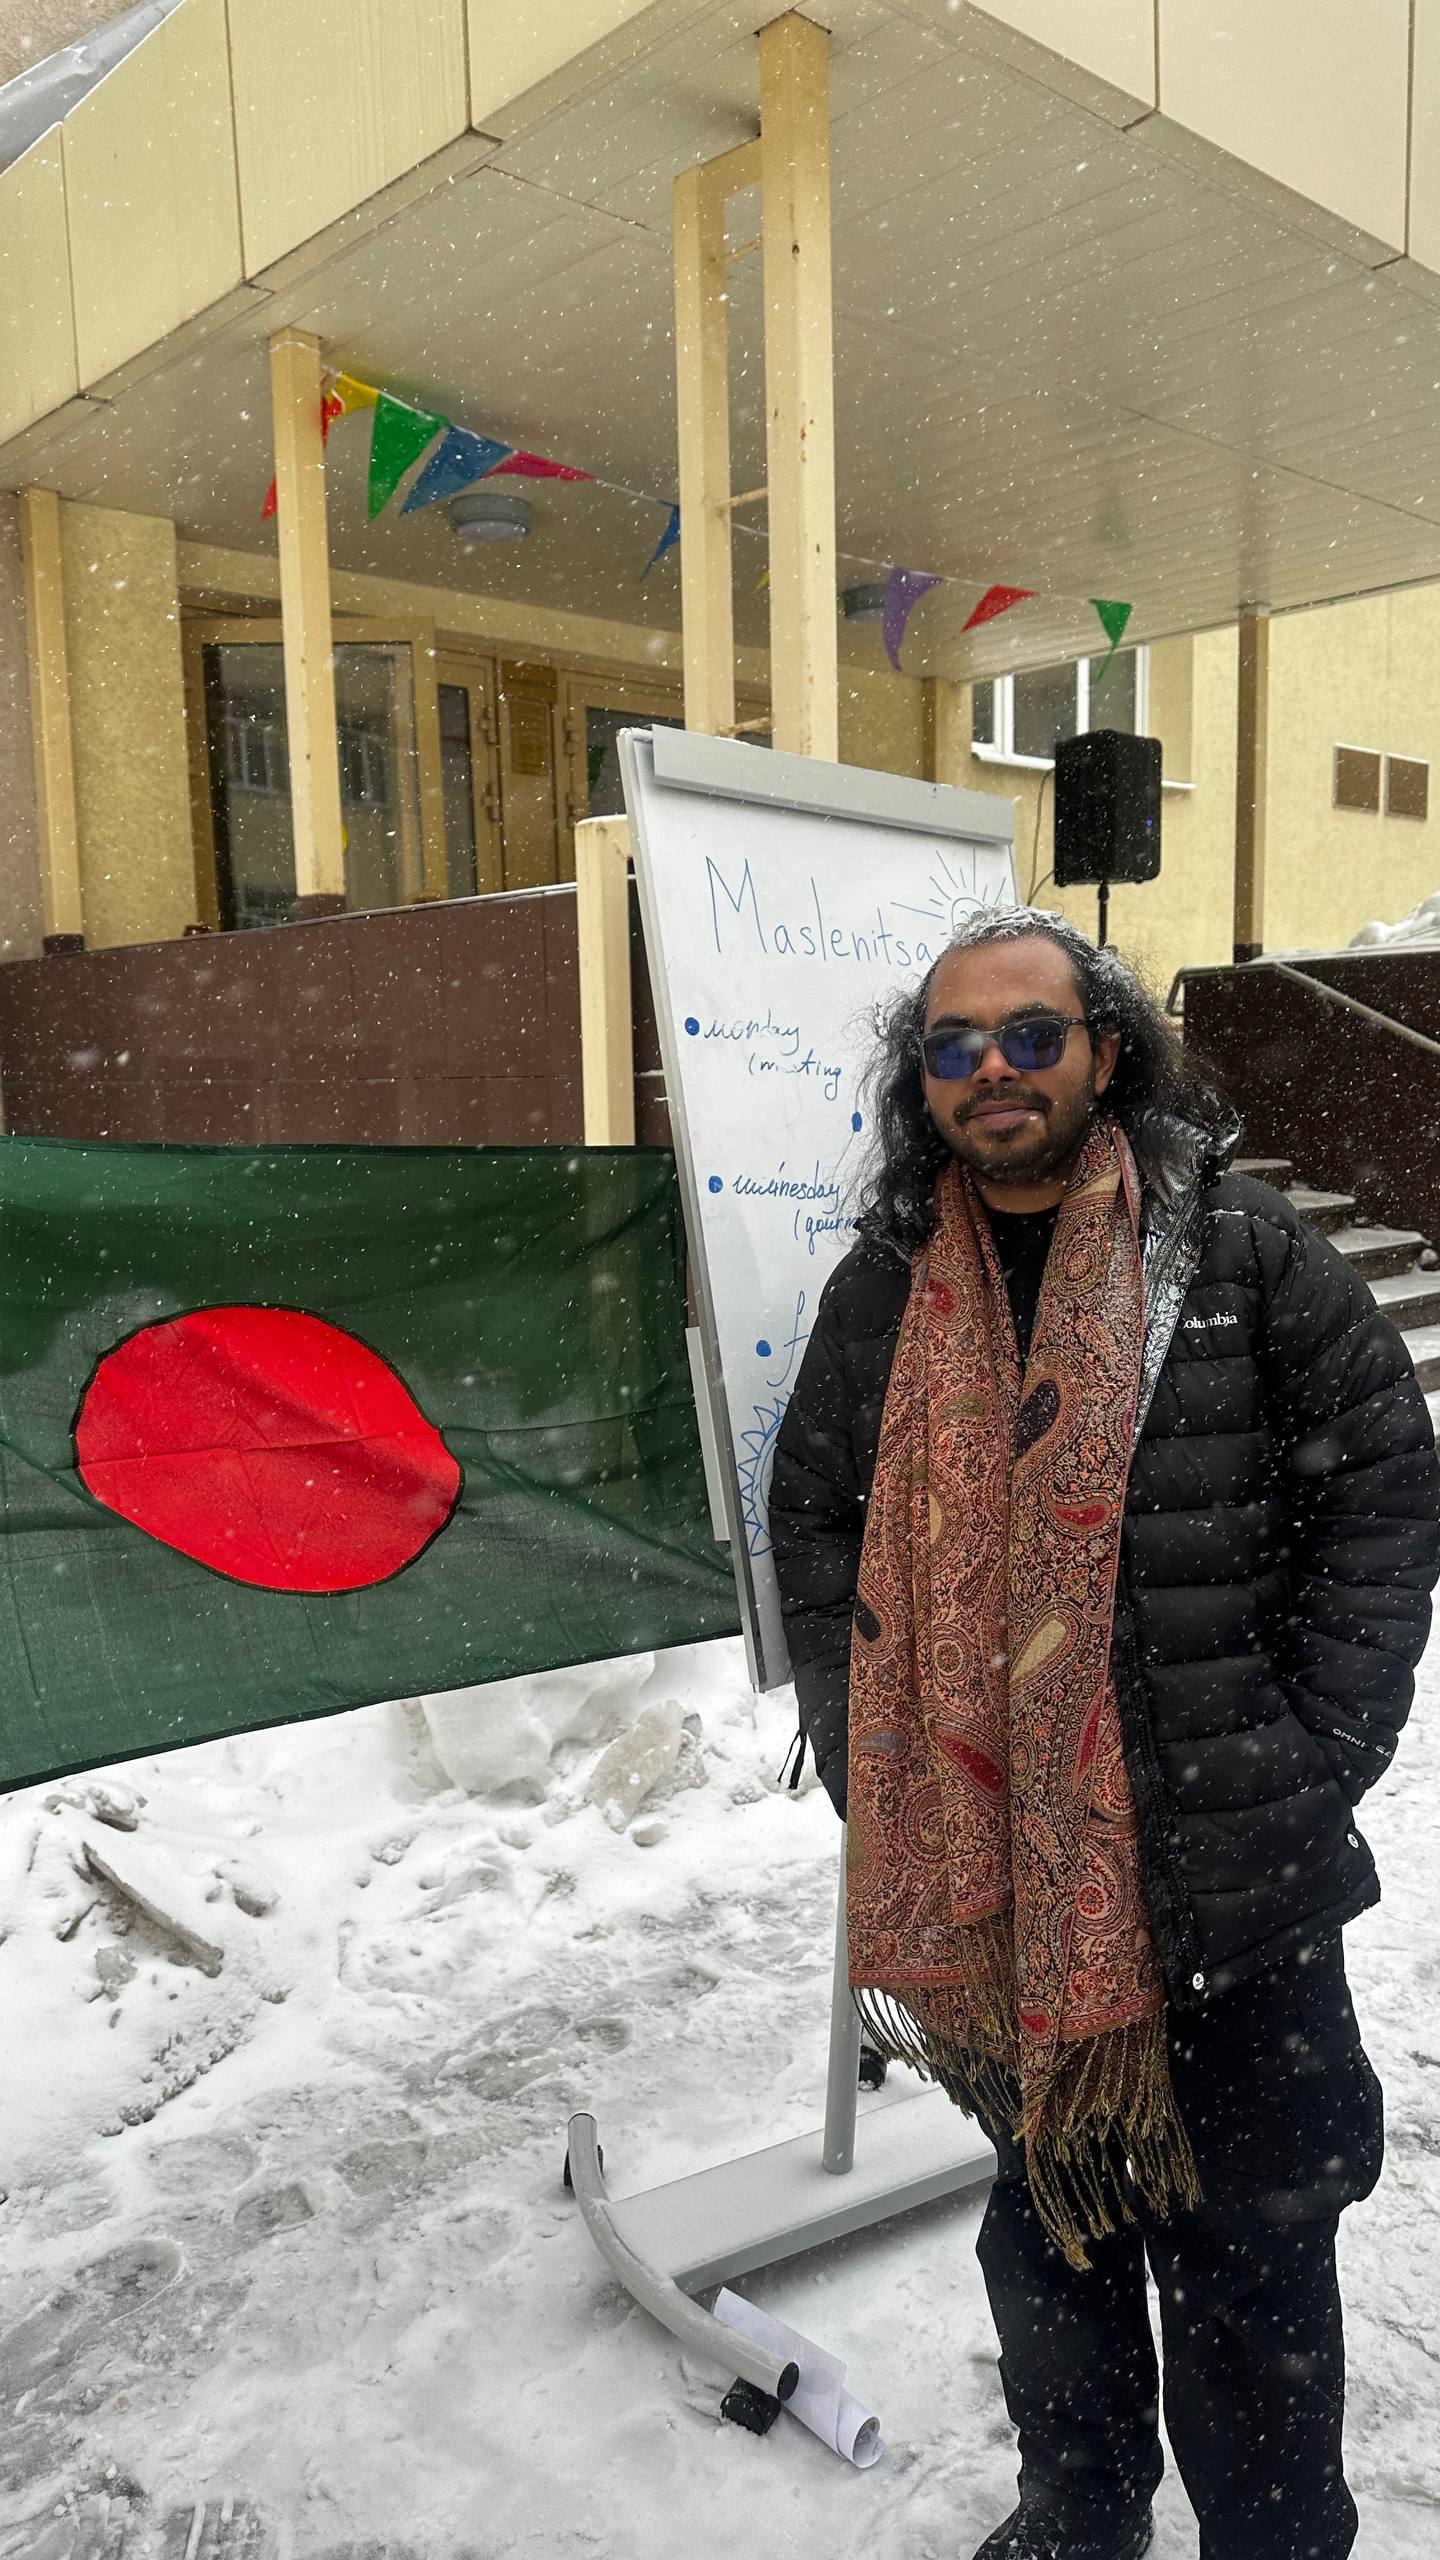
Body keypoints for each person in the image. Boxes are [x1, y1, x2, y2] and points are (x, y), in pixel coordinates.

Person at [768, 908, 1440, 2560]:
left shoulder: (1237, 1253)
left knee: (1253, 2265)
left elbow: (1381, 1487)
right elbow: (818, 1526)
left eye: (1029, 1035)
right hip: (1002, 1887)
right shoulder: (886, 1292)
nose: (991, 1071)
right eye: (953, 1046)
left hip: (1231, 1886)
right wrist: (878, 1758)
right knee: (1052, 2233)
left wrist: (1314, 1753)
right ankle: (1078, 2514)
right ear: (921, 1081)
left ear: (1106, 1051)